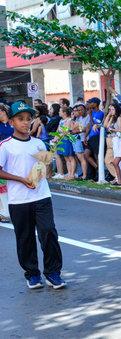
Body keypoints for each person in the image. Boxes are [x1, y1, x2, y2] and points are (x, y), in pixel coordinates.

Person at [0, 101, 66, 289]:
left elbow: (46, 167)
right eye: (20, 119)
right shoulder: (5, 146)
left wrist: (45, 166)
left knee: (49, 233)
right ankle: (32, 274)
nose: (25, 122)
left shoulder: (38, 143)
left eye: (28, 119)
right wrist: (21, 179)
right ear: (11, 122)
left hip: (42, 196)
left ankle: (53, 273)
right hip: (18, 200)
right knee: (25, 237)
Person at [84, 97, 104, 180]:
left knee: (96, 155)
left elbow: (95, 125)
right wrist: (86, 136)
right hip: (91, 136)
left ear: (95, 104)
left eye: (91, 103)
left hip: (97, 135)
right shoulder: (90, 112)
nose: (89, 104)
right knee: (86, 154)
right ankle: (98, 169)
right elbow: (89, 125)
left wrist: (91, 116)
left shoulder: (100, 113)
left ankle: (99, 173)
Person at [56, 106, 77, 180]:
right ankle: (69, 173)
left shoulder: (69, 120)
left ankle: (72, 174)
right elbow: (58, 131)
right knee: (66, 158)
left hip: (67, 140)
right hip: (62, 140)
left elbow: (66, 131)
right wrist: (56, 137)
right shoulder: (61, 121)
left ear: (64, 113)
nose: (59, 112)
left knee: (70, 157)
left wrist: (57, 138)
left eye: (60, 111)